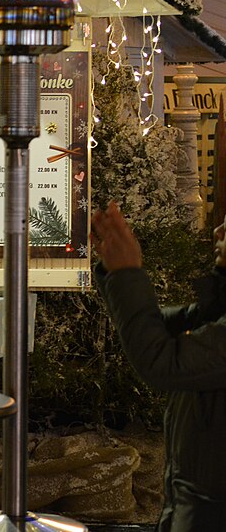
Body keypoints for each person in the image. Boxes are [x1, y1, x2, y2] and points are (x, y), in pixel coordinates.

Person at [91, 201, 226, 531]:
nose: (219, 231)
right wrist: (117, 270)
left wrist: (126, 274)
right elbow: (156, 330)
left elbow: (162, 359)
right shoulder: (219, 306)